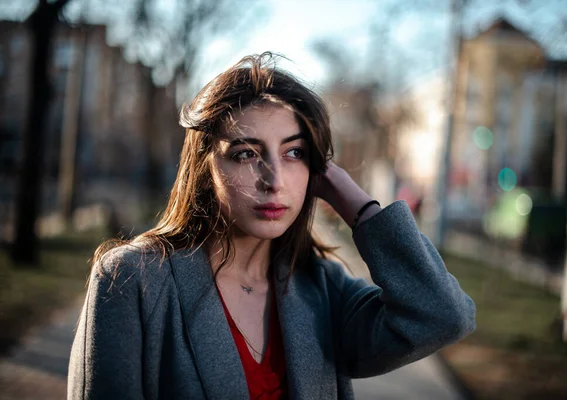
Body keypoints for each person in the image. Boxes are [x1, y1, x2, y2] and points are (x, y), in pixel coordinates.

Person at [67, 52, 476, 400]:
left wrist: (357, 204)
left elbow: (443, 316)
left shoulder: (323, 289)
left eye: (294, 152)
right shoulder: (133, 282)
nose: (274, 180)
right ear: (205, 167)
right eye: (246, 153)